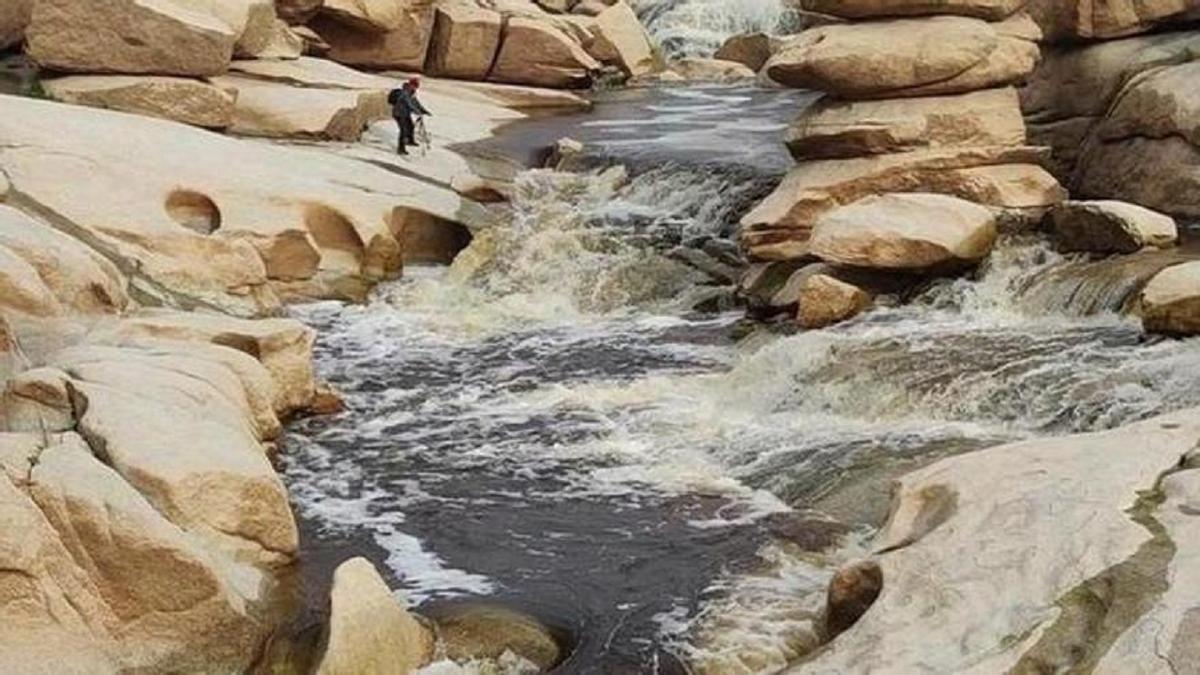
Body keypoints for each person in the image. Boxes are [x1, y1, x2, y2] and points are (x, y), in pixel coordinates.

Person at [388, 78, 431, 155]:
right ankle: (401, 149)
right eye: (414, 86)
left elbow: (416, 103)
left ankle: (410, 141)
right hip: (398, 114)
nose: (415, 88)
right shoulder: (405, 93)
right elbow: (409, 104)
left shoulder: (411, 92)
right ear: (410, 84)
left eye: (416, 86)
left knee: (410, 126)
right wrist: (417, 112)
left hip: (405, 113)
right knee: (403, 131)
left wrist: (424, 111)